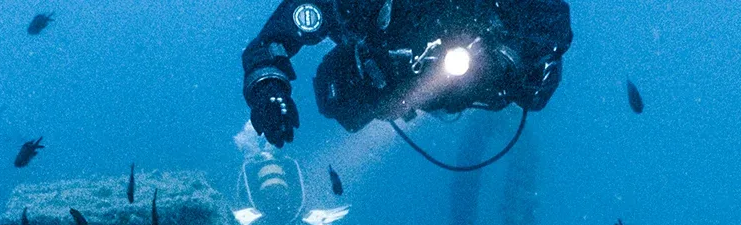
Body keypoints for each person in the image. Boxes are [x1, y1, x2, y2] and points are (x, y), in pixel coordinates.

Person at [242, 0, 572, 147]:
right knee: (336, 92)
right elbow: (269, 43)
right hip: (388, 83)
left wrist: (540, 61)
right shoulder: (348, 5)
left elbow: (551, 20)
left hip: (478, 74)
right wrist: (268, 90)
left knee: (521, 88)